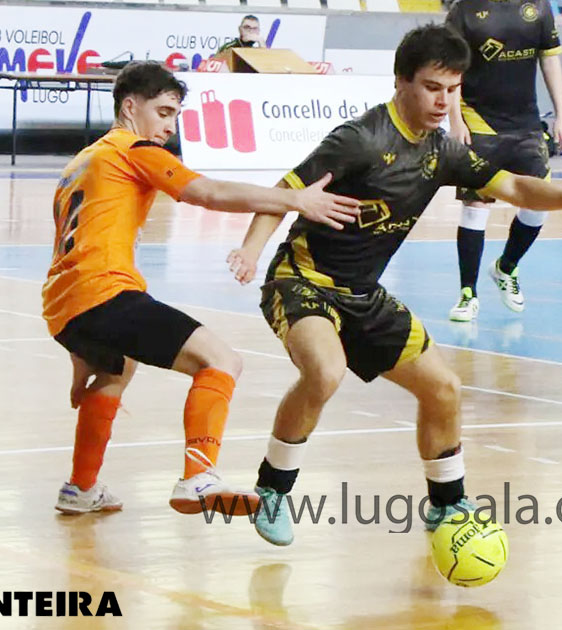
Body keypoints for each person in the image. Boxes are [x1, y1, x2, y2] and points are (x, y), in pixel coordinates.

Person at [227, 25, 562, 546]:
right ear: (401, 82)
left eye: (453, 89)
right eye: (433, 87)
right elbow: (284, 191)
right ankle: (273, 488)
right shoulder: (360, 139)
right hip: (302, 280)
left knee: (443, 388)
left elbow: (513, 186)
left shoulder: (443, 152)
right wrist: (251, 251)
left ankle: (447, 504)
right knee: (325, 371)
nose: (444, 101)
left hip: (362, 292)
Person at [44, 61, 360, 515]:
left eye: (175, 116)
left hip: (65, 303)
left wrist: (81, 352)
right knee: (222, 361)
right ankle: (197, 477)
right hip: (103, 291)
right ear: (129, 107)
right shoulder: (134, 148)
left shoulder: (80, 162)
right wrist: (295, 199)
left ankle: (81, 488)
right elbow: (207, 193)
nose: (170, 127)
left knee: (117, 370)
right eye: (163, 113)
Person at [444, 0, 562, 323]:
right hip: (478, 119)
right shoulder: (464, 11)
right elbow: (451, 71)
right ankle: (468, 294)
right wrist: (454, 120)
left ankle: (506, 267)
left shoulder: (537, 4)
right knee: (475, 207)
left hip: (527, 124)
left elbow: (550, 61)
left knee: (539, 205)